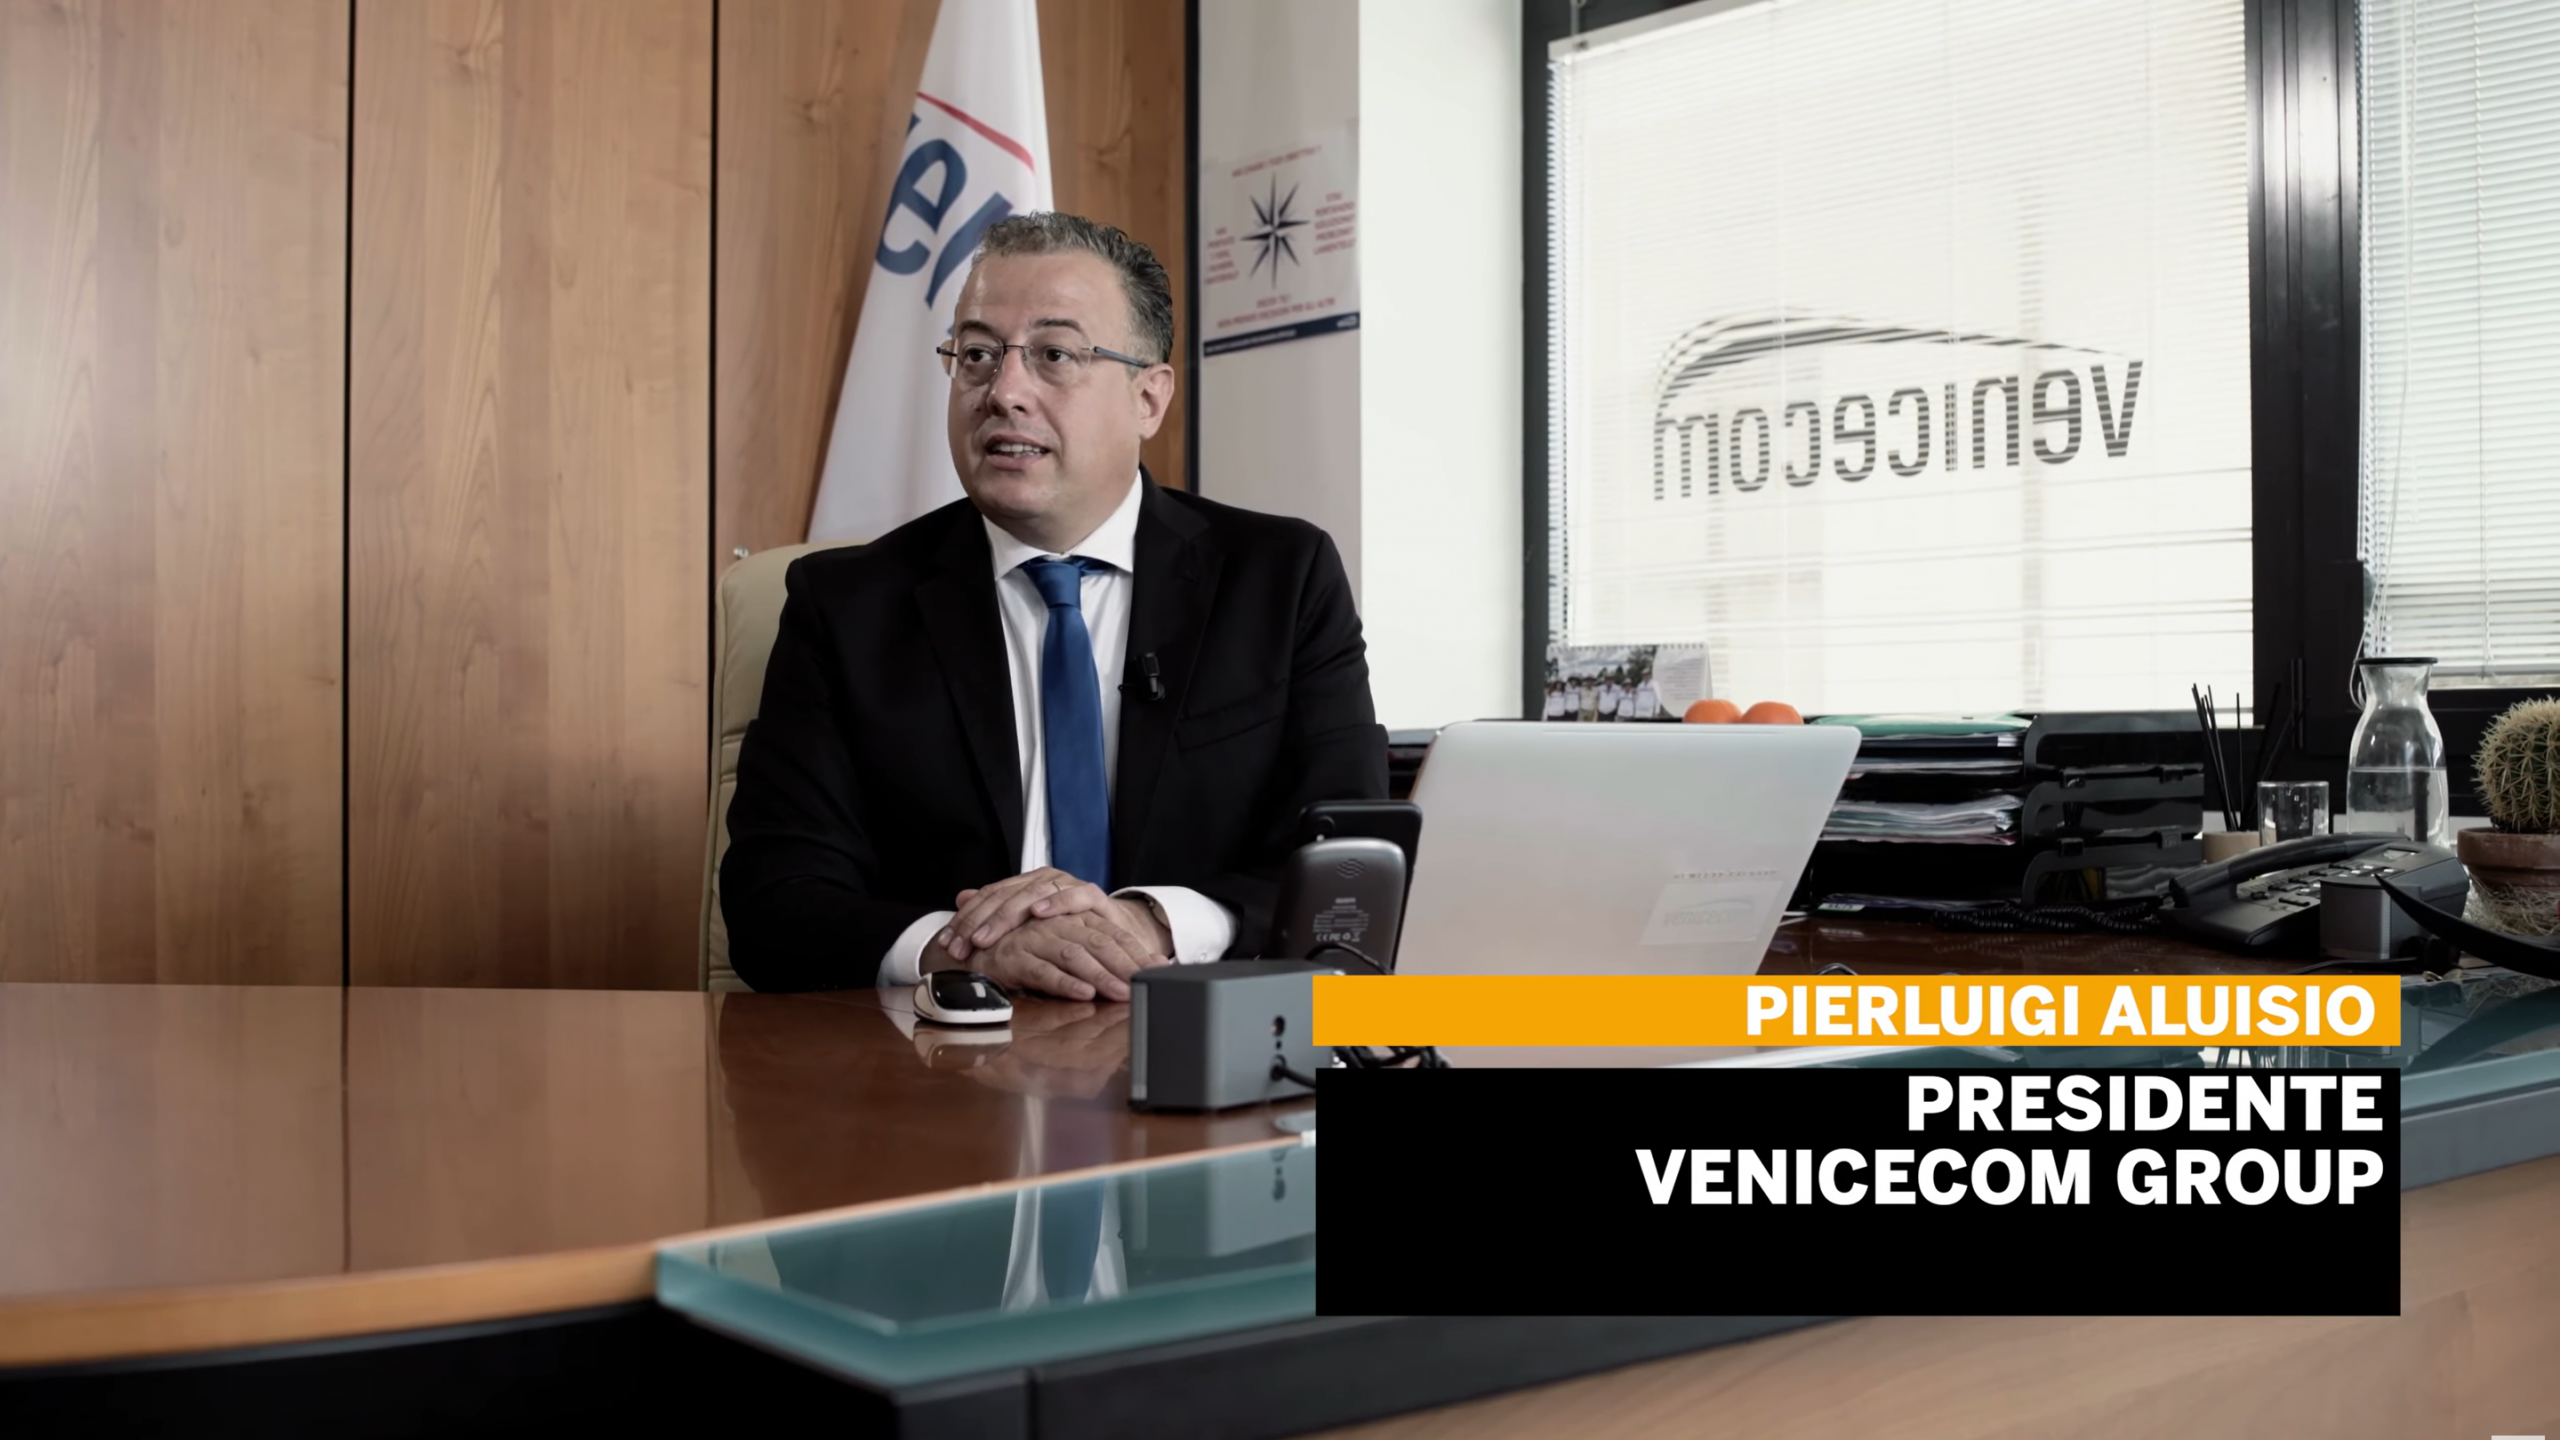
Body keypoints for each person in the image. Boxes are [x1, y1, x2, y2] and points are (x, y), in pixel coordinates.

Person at [721, 213, 1386, 999]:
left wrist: (1152, 924)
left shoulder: (1280, 580)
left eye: (1055, 355)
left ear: (1148, 398)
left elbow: (1348, 866)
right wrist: (966, 947)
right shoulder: (847, 607)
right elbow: (772, 902)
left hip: (1203, 1038)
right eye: (977, 355)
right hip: (939, 1054)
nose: (1003, 392)